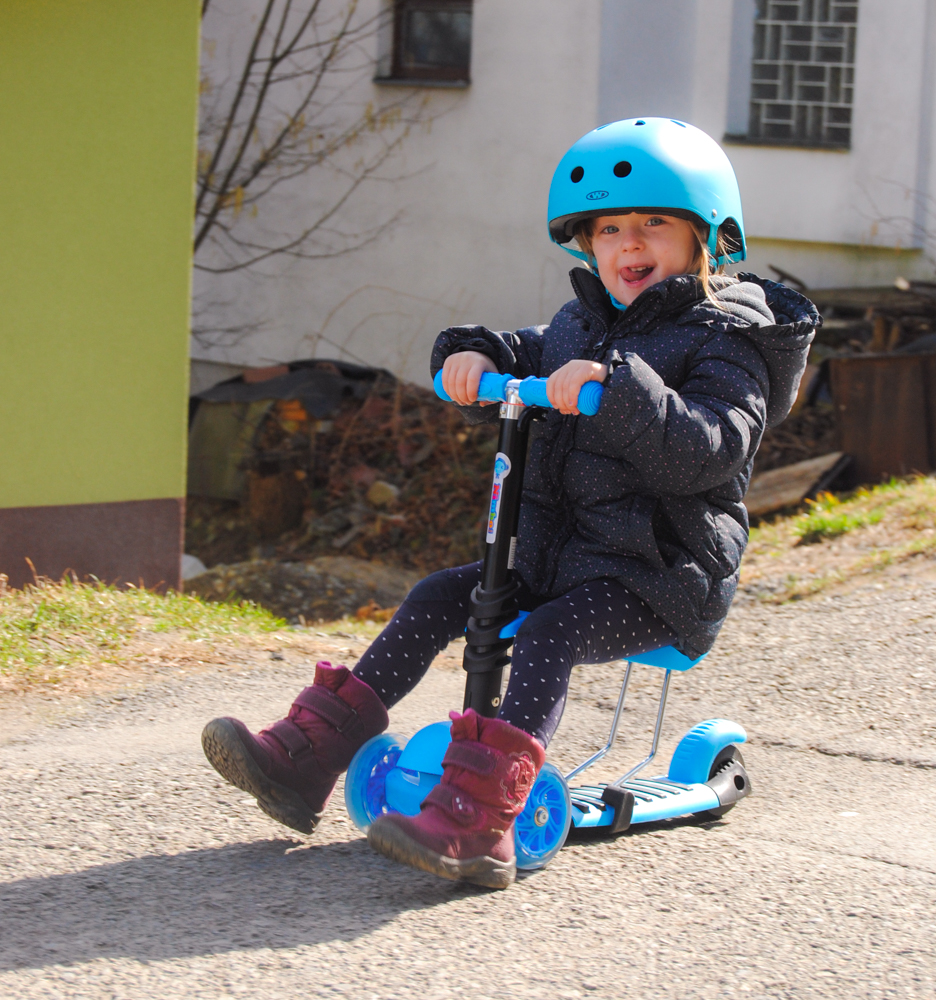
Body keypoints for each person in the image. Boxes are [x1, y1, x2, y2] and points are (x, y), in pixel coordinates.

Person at [200, 117, 819, 889]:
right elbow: (523, 349)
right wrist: (474, 354)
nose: (630, 243)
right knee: (439, 596)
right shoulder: (582, 322)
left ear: (706, 238)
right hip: (557, 560)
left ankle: (483, 819)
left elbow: (711, 448)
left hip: (659, 577)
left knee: (549, 632)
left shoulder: (729, 341)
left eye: (655, 223)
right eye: (610, 228)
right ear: (586, 243)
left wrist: (618, 390)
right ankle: (306, 760)